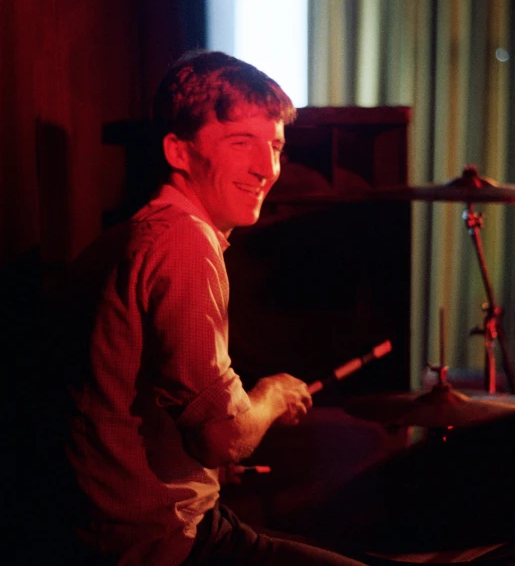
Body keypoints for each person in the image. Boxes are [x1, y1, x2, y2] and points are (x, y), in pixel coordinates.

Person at [51, 50, 367, 566]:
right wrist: (271, 396)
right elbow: (222, 437)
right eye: (241, 143)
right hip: (160, 545)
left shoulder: (137, 233)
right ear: (179, 150)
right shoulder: (183, 243)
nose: (267, 169)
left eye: (276, 147)